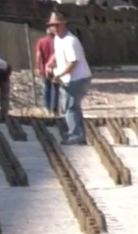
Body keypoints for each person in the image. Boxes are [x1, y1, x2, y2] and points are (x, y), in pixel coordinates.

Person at [47, 11, 90, 145]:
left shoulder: (70, 41)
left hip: (78, 79)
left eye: (55, 25)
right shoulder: (58, 39)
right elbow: (58, 54)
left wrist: (59, 75)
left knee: (70, 108)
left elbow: (73, 62)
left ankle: (75, 135)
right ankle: (78, 134)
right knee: (72, 107)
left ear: (62, 25)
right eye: (51, 25)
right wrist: (51, 62)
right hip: (69, 79)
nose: (52, 28)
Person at [34, 24, 57, 115]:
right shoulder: (57, 41)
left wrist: (37, 67)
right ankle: (54, 109)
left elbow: (38, 55)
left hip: (44, 68)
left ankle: (47, 108)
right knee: (55, 88)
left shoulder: (41, 41)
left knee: (46, 88)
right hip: (56, 68)